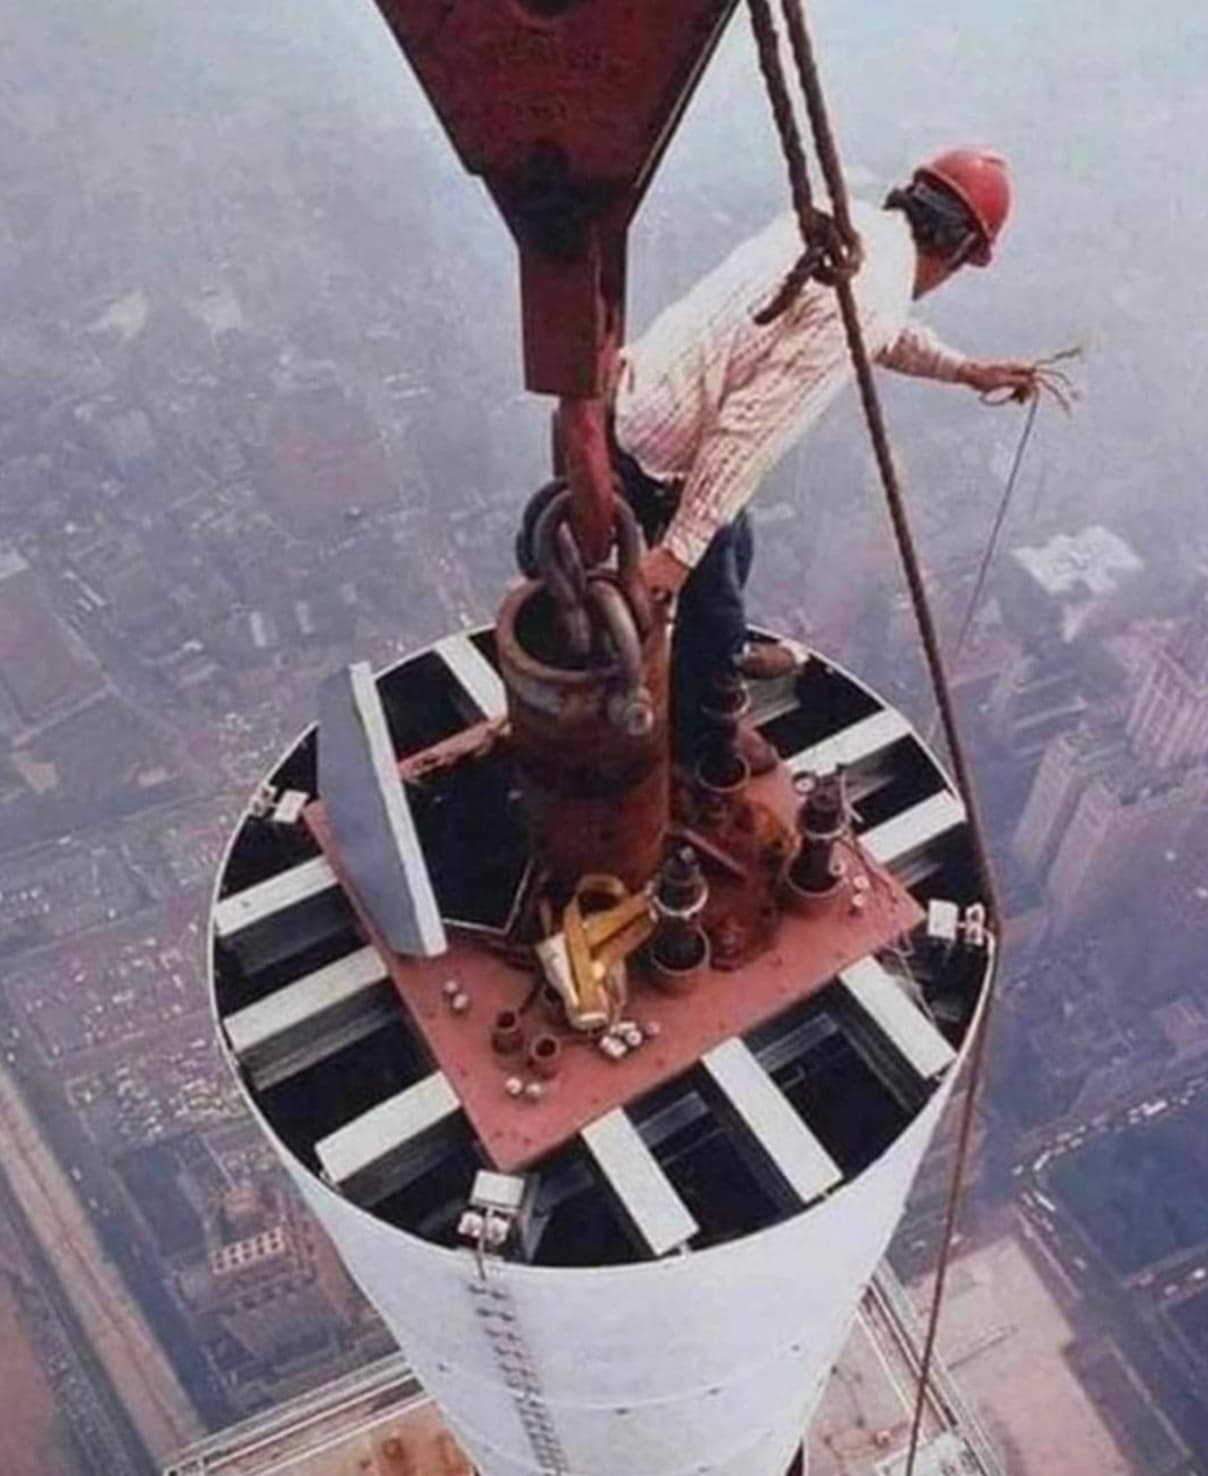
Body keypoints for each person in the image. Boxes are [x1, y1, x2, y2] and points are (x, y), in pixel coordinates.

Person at [611, 148, 1037, 773]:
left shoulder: (851, 232)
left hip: (647, 391)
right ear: (960, 253)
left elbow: (885, 333)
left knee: (737, 542)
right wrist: (676, 554)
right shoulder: (869, 292)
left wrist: (966, 371)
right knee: (714, 582)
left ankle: (722, 649)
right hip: (666, 447)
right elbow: (749, 430)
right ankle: (703, 746)